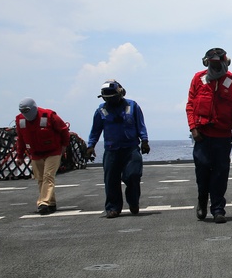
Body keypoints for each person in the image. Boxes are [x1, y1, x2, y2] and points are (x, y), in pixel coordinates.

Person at [186, 47, 232, 223]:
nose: (216, 67)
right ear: (207, 63)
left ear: (225, 63)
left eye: (219, 64)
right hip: (202, 136)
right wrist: (193, 129)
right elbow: (190, 105)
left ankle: (218, 209)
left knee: (220, 174)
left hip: (222, 136)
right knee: (202, 172)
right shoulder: (198, 79)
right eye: (212, 64)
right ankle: (202, 201)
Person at [86, 80, 150, 218]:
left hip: (130, 148)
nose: (110, 100)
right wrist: (91, 146)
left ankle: (133, 202)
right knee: (111, 180)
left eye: (112, 97)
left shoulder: (132, 106)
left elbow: (141, 125)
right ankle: (113, 207)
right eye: (106, 98)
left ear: (120, 93)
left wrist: (144, 140)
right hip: (111, 150)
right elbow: (95, 130)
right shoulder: (101, 111)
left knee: (133, 175)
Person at [14, 98, 71, 215]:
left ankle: (43, 202)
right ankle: (51, 203)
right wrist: (19, 155)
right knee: (40, 179)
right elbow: (21, 139)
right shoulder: (20, 120)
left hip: (53, 152)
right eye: (22, 111)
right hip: (35, 153)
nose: (25, 113)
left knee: (48, 176)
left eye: (27, 110)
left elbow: (64, 130)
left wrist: (64, 145)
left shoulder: (49, 115)